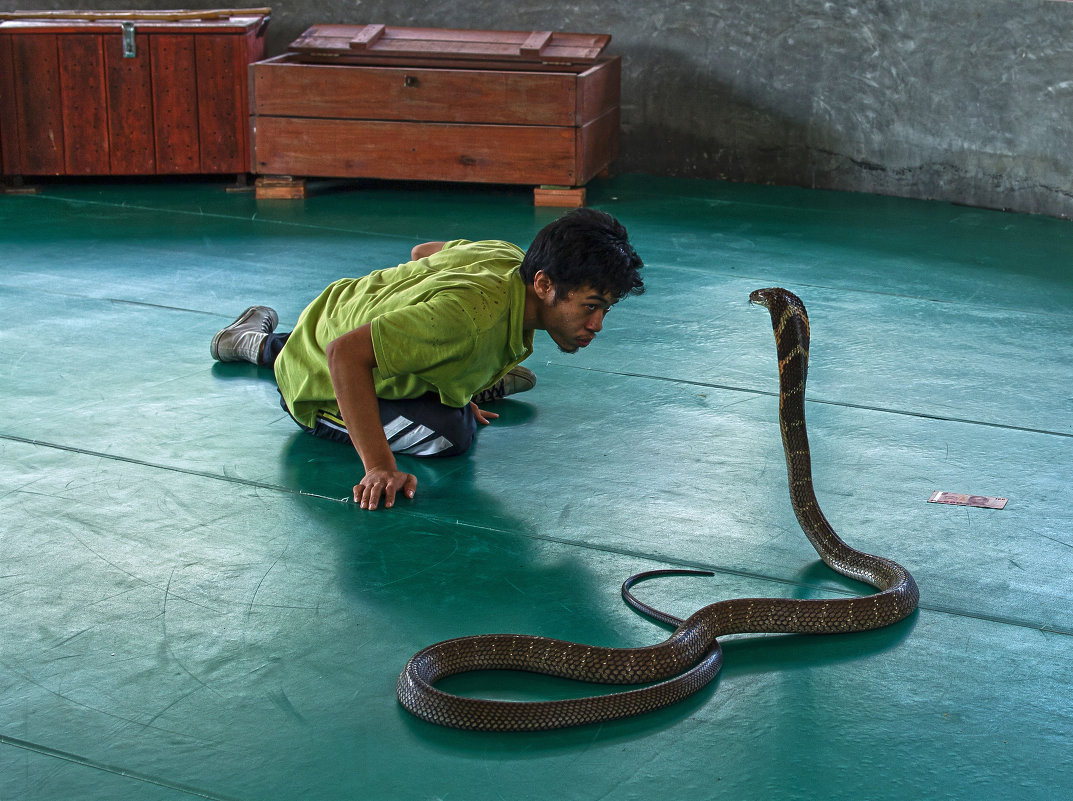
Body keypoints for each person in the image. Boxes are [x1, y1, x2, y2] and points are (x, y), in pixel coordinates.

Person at [210, 207, 644, 511]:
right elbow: (344, 354)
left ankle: (457, 379)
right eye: (590, 306)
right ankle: (258, 348)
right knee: (451, 433)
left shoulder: (507, 258)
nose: (598, 324)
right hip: (317, 377)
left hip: (332, 314)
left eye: (606, 308)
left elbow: (423, 253)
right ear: (545, 285)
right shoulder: (467, 321)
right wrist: (380, 467)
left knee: (449, 369)